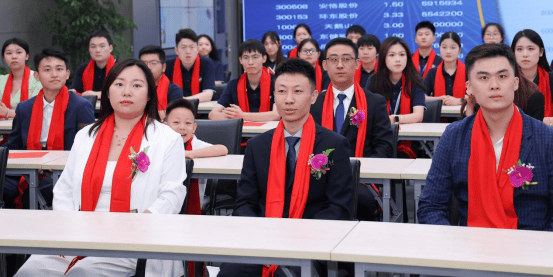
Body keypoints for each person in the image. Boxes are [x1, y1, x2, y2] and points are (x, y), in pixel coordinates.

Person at [14, 59, 187, 277]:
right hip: (79, 235)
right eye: (119, 84)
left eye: (137, 85)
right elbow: (64, 190)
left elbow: (172, 194)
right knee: (30, 271)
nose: (127, 92)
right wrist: (70, 228)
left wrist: (142, 224)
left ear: (149, 94)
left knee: (84, 273)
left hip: (137, 239)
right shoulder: (86, 136)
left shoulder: (167, 139)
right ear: (107, 92)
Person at [217, 59, 354, 277]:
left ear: (313, 96)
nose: (289, 99)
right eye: (281, 91)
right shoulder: (257, 146)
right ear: (274, 96)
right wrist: (263, 235)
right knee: (230, 272)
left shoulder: (334, 145)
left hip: (312, 244)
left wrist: (295, 235)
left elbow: (339, 208)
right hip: (262, 241)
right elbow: (244, 203)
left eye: (298, 91)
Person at [418, 43, 553, 230]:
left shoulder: (546, 139)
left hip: (532, 243)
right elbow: (431, 206)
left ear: (515, 83)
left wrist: (540, 245)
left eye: (502, 76)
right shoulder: (454, 137)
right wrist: (453, 244)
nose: (494, 85)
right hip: (470, 242)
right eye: (483, 78)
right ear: (470, 87)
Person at [310, 37, 393, 221]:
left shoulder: (374, 102)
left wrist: (354, 172)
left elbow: (384, 147)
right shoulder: (313, 104)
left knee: (359, 199)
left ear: (357, 64)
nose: (340, 65)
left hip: (361, 179)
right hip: (320, 178)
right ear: (325, 65)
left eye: (346, 59)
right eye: (333, 59)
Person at [3, 47, 95, 208]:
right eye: (47, 70)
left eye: (59, 69)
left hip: (65, 172)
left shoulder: (81, 106)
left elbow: (88, 147)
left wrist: (51, 163)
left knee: (36, 194)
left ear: (67, 74)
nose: (54, 74)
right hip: (28, 171)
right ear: (37, 76)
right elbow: (13, 146)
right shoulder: (24, 108)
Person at [165, 97, 227, 277]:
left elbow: (222, 149)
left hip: (192, 207)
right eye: (176, 122)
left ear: (194, 127)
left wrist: (189, 154)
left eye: (187, 123)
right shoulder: (161, 145)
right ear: (165, 125)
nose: (182, 127)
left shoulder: (196, 144)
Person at [368, 37, 426, 158]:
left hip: (408, 141)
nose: (398, 59)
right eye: (392, 55)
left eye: (402, 54)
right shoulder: (374, 80)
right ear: (383, 58)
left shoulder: (415, 80)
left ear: (407, 58)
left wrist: (394, 119)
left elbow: (418, 116)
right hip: (378, 138)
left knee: (401, 156)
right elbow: (366, 112)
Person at [209, 39, 279, 122]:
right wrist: (233, 117)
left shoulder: (276, 82)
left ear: (264, 58)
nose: (250, 62)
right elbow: (212, 114)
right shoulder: (233, 84)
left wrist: (242, 116)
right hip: (242, 130)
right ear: (240, 60)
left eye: (255, 57)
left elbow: (276, 115)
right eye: (246, 58)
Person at [511, 29, 553, 124]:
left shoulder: (551, 79)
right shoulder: (506, 81)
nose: (525, 55)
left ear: (541, 52)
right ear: (513, 53)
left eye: (530, 49)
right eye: (519, 49)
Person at [165, 28, 215, 103]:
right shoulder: (168, 65)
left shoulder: (207, 63)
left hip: (201, 108)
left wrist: (184, 101)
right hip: (175, 108)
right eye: (183, 47)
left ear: (197, 49)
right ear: (176, 50)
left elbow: (208, 94)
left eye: (192, 47)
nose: (188, 51)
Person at [0, 38, 42, 121]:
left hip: (30, 127)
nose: (14, 57)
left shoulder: (37, 78)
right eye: (9, 53)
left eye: (19, 52)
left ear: (27, 56)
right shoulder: (1, 80)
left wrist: (8, 112)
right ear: (4, 58)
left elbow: (37, 110)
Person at [139, 45, 183, 121]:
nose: (148, 67)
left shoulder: (174, 91)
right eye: (144, 63)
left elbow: (174, 117)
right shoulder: (134, 88)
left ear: (164, 67)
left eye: (153, 63)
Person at [424, 32, 466, 106]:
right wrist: (438, 99)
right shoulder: (432, 73)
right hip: (438, 113)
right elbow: (420, 96)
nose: (448, 51)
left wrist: (460, 101)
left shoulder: (469, 72)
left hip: (464, 113)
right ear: (439, 49)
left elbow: (477, 97)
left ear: (459, 50)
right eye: (444, 47)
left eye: (453, 47)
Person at [70, 30, 116, 98]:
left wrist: (98, 94)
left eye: (102, 46)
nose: (97, 50)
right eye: (93, 47)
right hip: (88, 104)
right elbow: (75, 92)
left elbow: (122, 92)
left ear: (110, 48)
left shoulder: (120, 68)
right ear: (89, 49)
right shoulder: (83, 68)